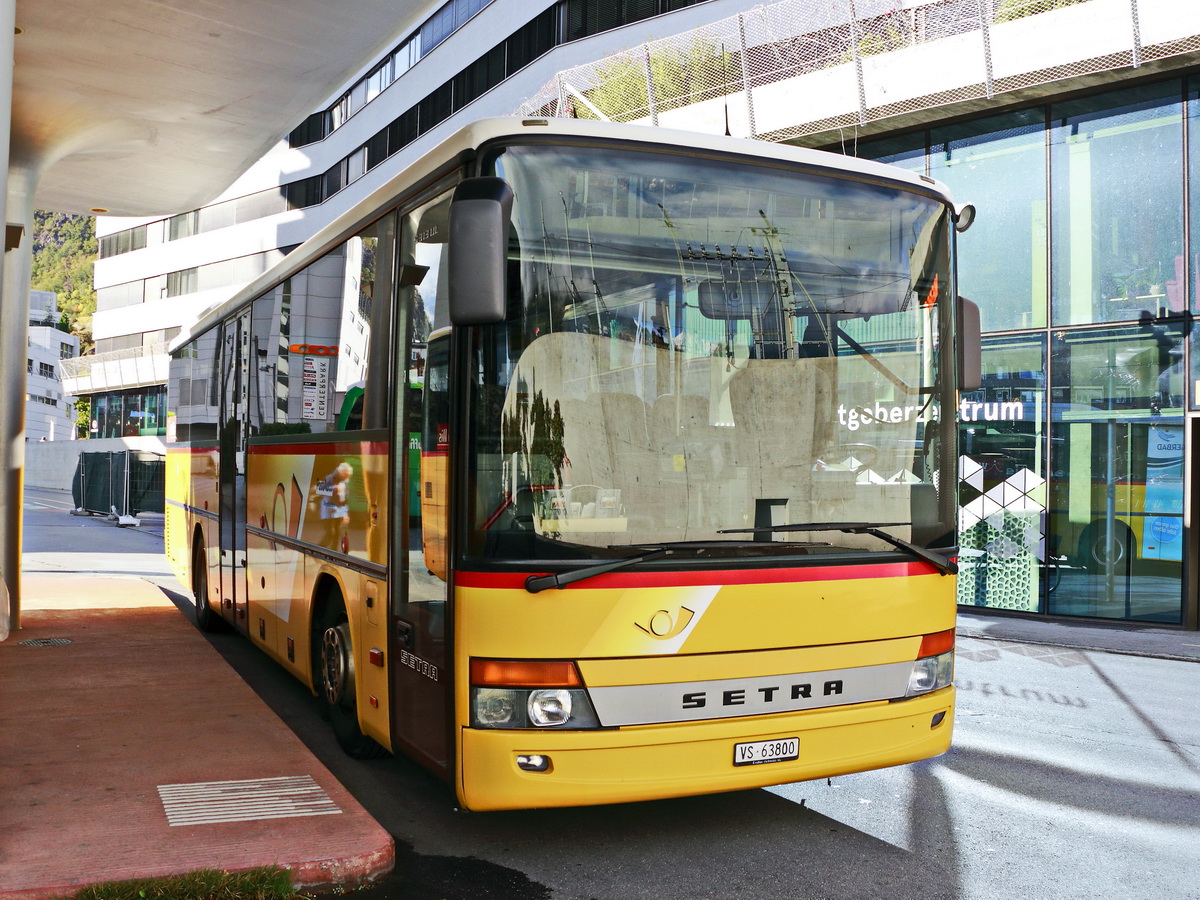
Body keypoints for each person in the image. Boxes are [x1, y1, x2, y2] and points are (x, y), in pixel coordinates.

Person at [317, 461, 353, 550]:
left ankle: (334, 552)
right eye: (346, 474)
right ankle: (318, 550)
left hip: (339, 510)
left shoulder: (345, 482)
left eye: (348, 475)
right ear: (341, 472)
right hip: (328, 510)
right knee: (330, 533)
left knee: (337, 532)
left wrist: (345, 513)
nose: (348, 477)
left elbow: (344, 498)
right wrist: (334, 489)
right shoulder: (329, 478)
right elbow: (319, 489)